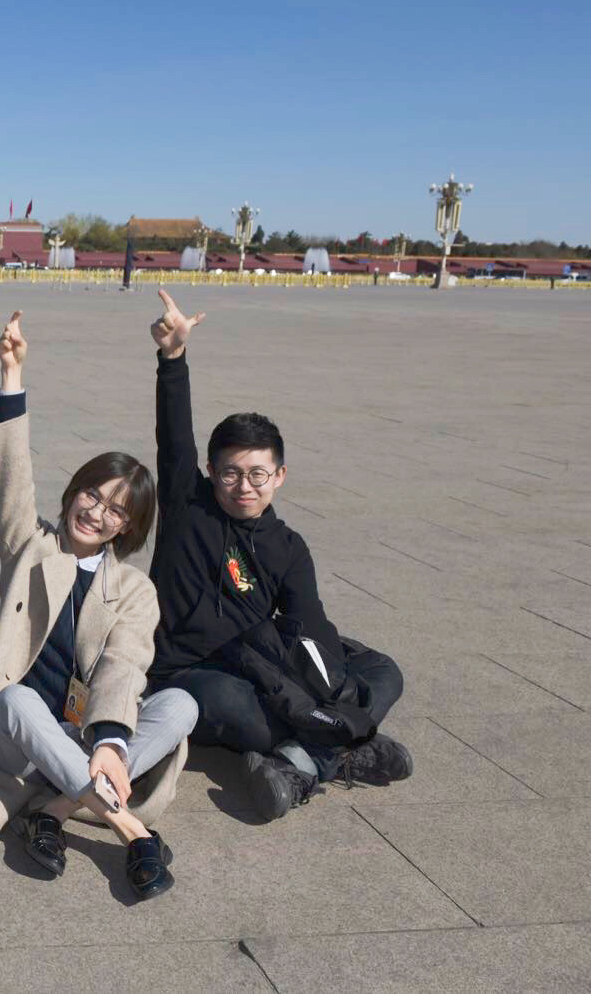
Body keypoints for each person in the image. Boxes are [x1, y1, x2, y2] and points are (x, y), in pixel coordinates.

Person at [146, 289, 411, 822]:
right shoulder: (188, 505)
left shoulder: (288, 547)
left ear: (280, 476)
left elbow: (309, 623)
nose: (244, 486)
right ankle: (339, 748)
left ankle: (302, 761)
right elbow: (173, 436)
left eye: (257, 474)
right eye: (230, 473)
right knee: (236, 709)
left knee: (384, 671)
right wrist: (173, 358)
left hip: (260, 659)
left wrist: (332, 683)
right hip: (189, 668)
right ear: (211, 471)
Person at [0, 312, 193, 900]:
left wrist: (109, 741)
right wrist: (12, 376)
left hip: (89, 741)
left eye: (116, 510)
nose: (96, 512)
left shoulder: (134, 588)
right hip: (21, 740)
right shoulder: (31, 547)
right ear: (74, 491)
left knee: (180, 705)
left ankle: (56, 811)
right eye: (92, 493)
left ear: (128, 527)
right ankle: (130, 830)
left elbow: (124, 665)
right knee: (13, 700)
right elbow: (10, 482)